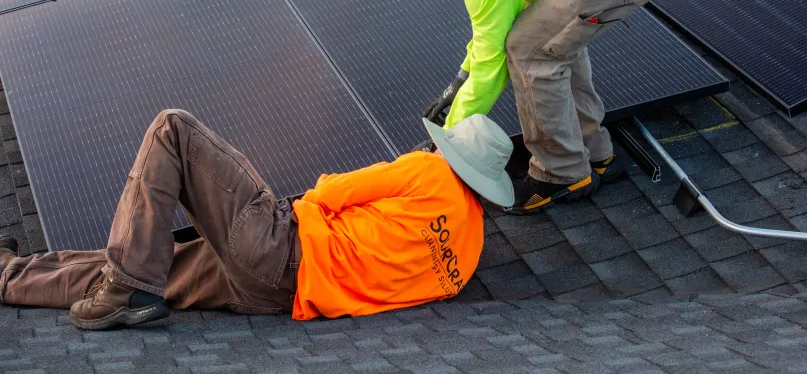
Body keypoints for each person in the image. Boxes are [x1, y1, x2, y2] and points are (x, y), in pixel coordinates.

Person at [0, 109, 514, 329]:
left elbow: (330, 189)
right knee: (143, 267)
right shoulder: (465, 262)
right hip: (279, 299)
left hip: (280, 247)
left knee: (172, 129)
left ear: (451, 155)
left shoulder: (428, 172)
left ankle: (126, 288)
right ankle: (15, 274)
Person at [382, 0, 694, 214]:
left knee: (530, 51)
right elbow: (490, 37)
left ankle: (561, 173)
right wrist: (459, 82)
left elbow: (493, 59)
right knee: (551, 35)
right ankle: (595, 152)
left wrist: (450, 140)